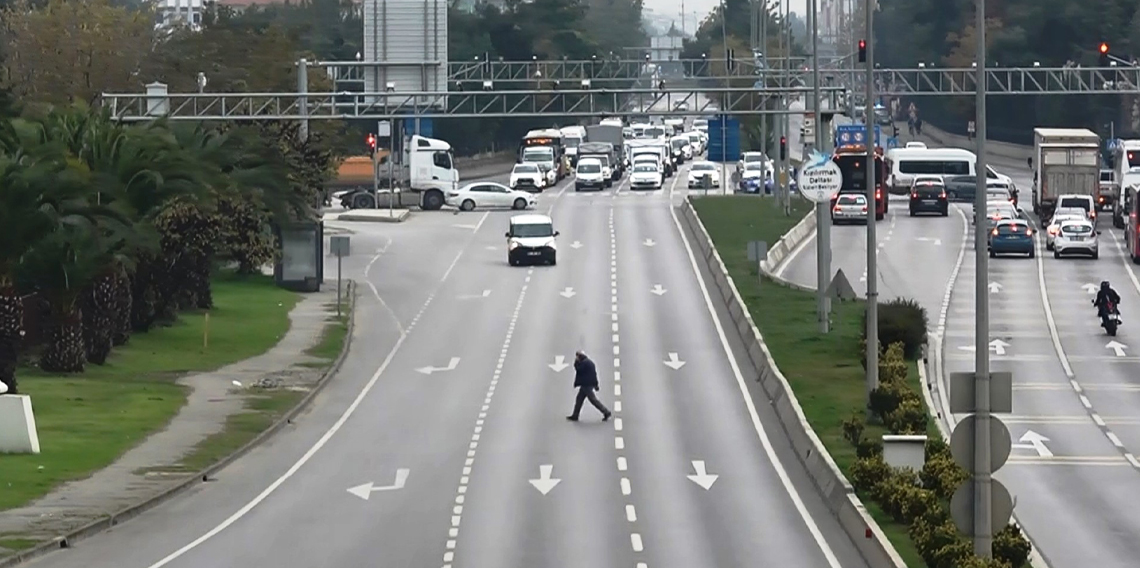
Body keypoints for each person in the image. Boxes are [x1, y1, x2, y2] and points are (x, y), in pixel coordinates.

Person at [567, 351, 611, 422]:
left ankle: (606, 412)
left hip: (586, 385)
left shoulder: (584, 363)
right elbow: (594, 374)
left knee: (593, 400)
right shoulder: (589, 362)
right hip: (586, 385)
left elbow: (579, 369)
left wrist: (576, 363)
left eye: (577, 356)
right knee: (579, 400)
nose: (576, 357)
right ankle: (575, 415)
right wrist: (596, 384)